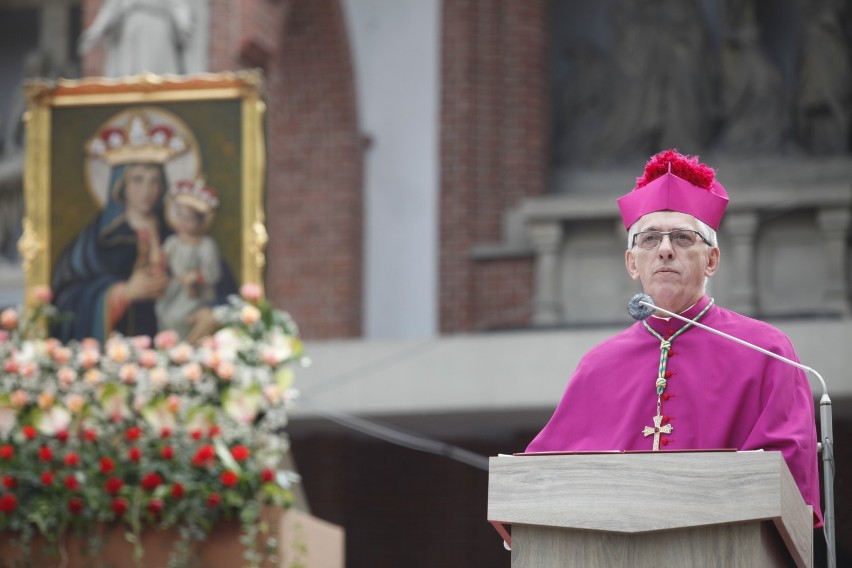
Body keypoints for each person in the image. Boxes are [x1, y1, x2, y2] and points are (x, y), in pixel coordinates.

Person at [525, 149, 823, 526]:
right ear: (632, 263)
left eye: (683, 238)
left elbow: (785, 482)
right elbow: (540, 482)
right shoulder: (597, 366)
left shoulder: (769, 353)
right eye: (649, 239)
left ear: (712, 260)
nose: (665, 250)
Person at [155, 178, 223, 339]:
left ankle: (186, 349)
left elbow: (213, 273)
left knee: (183, 318)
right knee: (166, 314)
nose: (183, 223)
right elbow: (162, 262)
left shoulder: (206, 245)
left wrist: (196, 276)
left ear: (201, 221)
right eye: (180, 216)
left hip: (196, 295)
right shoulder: (172, 242)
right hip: (174, 290)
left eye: (189, 218)